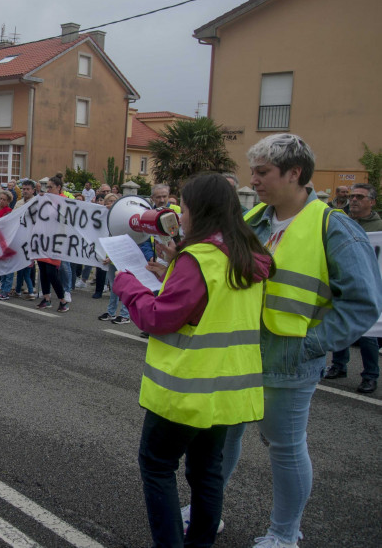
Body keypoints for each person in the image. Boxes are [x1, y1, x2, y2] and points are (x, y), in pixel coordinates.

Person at [217, 134, 382, 548]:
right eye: (253, 171)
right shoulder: (254, 219)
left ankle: (284, 534)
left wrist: (310, 345)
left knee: (285, 449)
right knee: (223, 436)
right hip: (242, 353)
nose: (253, 180)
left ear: (295, 174)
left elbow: (362, 305)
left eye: (262, 173)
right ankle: (208, 509)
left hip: (290, 362)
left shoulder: (335, 227)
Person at [114, 171, 272, 548]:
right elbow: (213, 304)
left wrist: (127, 283)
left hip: (185, 388)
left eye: (182, 208)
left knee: (157, 466)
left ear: (198, 210)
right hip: (227, 387)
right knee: (206, 472)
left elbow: (157, 318)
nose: (178, 215)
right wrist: (172, 270)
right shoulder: (249, 253)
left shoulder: (199, 257)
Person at [324, 182, 382, 394]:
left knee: (367, 334)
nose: (354, 200)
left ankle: (370, 375)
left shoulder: (378, 228)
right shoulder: (344, 222)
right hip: (342, 283)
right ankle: (339, 365)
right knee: (339, 324)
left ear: (372, 201)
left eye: (359, 197)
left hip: (367, 287)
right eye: (352, 196)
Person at [34, 177, 69, 312]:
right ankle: (46, 298)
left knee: (51, 271)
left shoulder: (63, 200)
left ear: (58, 187)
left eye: (50, 187)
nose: (47, 190)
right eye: (47, 187)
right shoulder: (46, 199)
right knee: (42, 268)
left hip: (56, 240)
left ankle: (63, 300)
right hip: (43, 239)